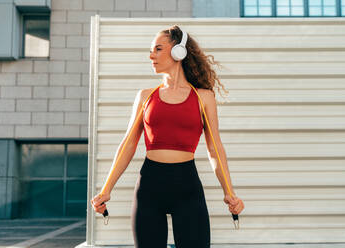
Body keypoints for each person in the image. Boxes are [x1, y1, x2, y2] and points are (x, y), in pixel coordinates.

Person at [91, 25, 245, 248]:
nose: (151, 55)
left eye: (158, 49)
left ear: (178, 52)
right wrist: (106, 190)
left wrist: (230, 193)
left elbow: (215, 149)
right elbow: (128, 144)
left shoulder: (203, 97)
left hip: (187, 187)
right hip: (150, 186)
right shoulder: (145, 96)